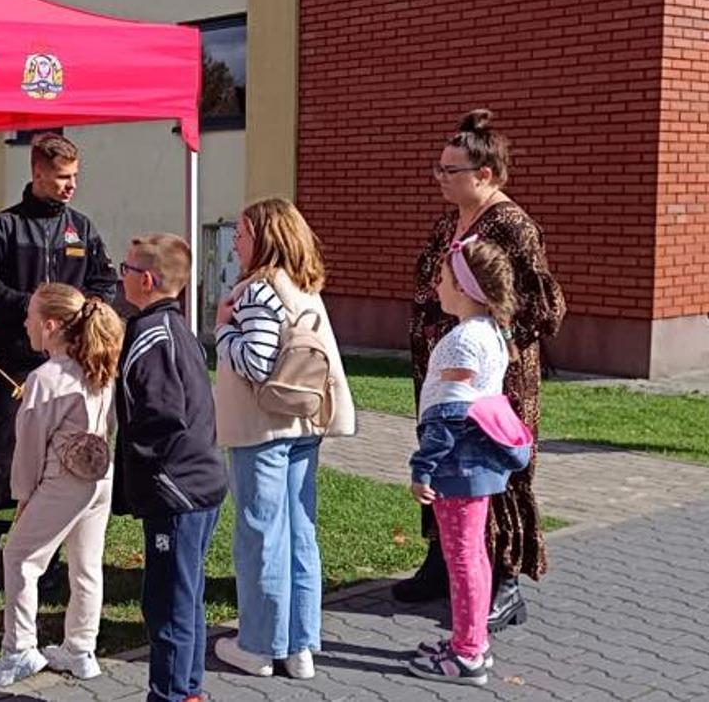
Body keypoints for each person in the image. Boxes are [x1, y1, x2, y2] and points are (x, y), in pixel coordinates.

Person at [395, 109, 564, 634]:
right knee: (445, 462)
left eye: (451, 170)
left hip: (494, 380)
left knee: (492, 472)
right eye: (439, 168)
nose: (439, 178)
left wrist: (488, 339)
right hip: (446, 370)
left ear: (485, 174)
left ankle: (504, 583)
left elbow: (544, 307)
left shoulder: (512, 226)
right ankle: (443, 565)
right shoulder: (453, 219)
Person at [0, 133, 121, 596]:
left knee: (62, 464)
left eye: (75, 177)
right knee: (3, 462)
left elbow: (104, 282)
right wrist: (34, 308)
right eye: (61, 178)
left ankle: (48, 561)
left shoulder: (82, 229)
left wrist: (79, 319)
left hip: (70, 369)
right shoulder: (4, 229)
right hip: (17, 367)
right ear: (37, 174)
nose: (70, 186)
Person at [209, 198, 356, 682]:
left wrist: (221, 329)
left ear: (264, 237)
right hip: (304, 425)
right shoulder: (306, 288)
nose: (235, 240)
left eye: (242, 233)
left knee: (260, 534)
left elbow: (255, 363)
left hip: (262, 429)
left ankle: (257, 645)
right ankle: (300, 646)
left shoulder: (258, 292)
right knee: (299, 533)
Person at [404, 238, 535, 686]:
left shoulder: (463, 341)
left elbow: (449, 412)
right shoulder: (491, 332)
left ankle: (466, 655)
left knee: (462, 558)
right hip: (474, 466)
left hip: (457, 468)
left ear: (465, 286)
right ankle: (472, 640)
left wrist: (423, 467)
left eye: (443, 279)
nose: (437, 286)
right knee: (473, 554)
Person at [0, 284, 125, 688]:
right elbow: (109, 423)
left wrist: (24, 499)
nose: (24, 323)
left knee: (20, 558)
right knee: (86, 564)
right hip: (99, 475)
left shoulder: (46, 378)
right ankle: (80, 648)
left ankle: (19, 649)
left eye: (29, 316)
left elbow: (28, 449)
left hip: (63, 479)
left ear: (49, 325)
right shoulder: (98, 366)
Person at [113, 233, 228, 702]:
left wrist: (140, 467)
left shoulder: (152, 337)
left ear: (145, 279)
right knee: (186, 596)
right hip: (197, 485)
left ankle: (173, 694)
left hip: (178, 491)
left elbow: (162, 415)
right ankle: (188, 691)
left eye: (124, 268)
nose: (119, 275)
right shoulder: (175, 328)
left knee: (168, 604)